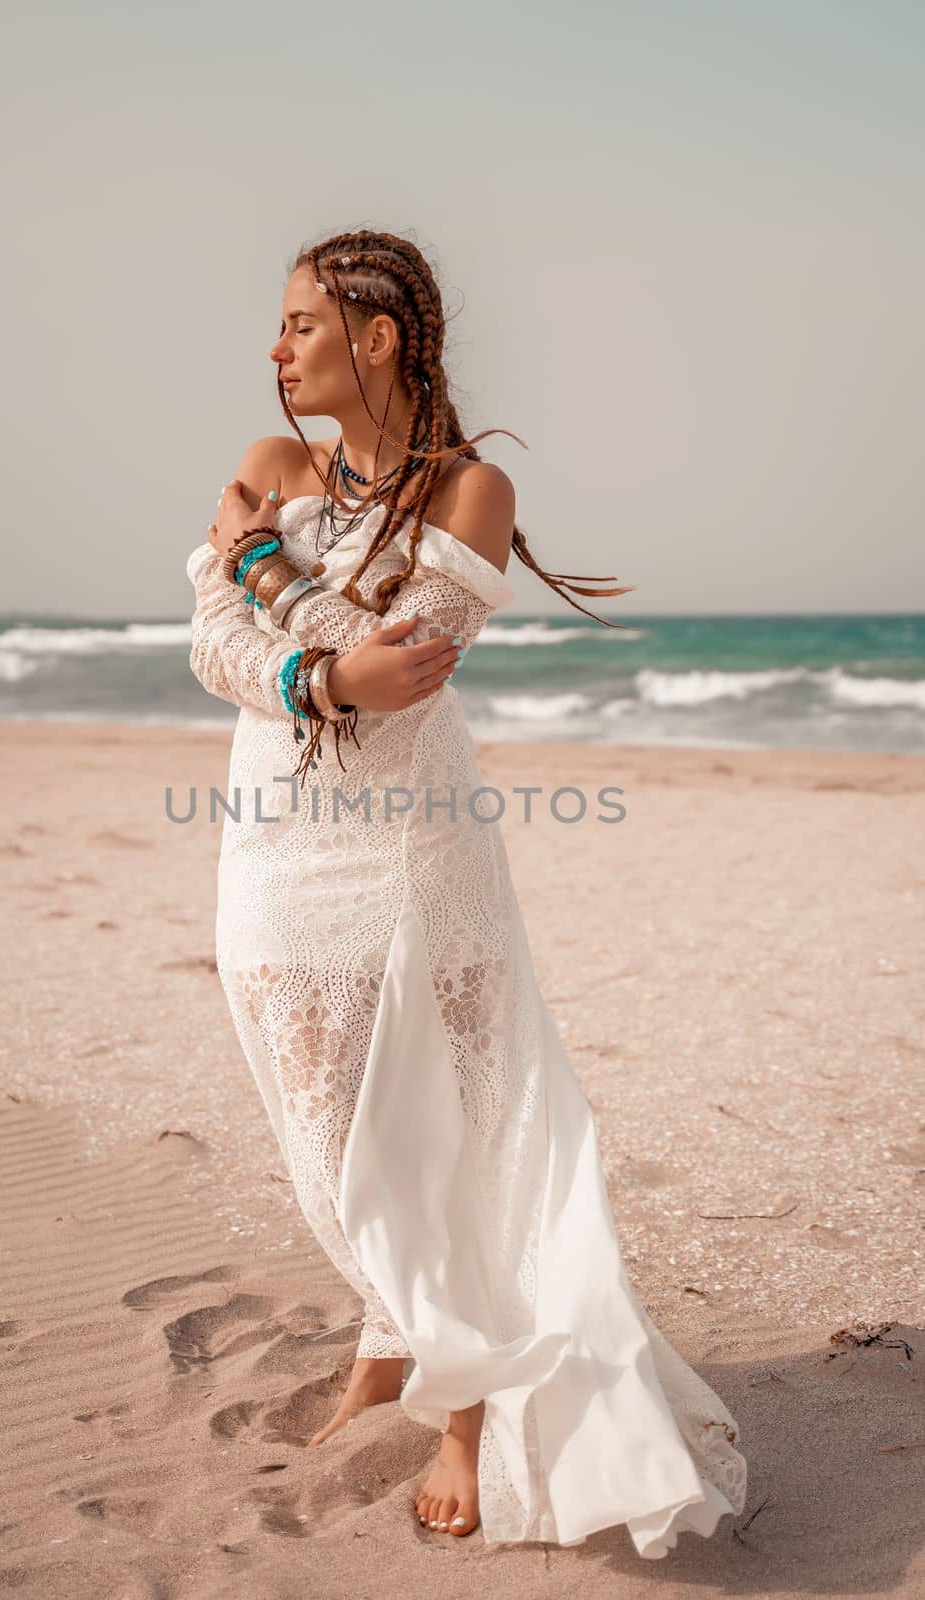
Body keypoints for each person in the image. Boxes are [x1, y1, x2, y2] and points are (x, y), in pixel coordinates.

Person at [185, 229, 747, 1554]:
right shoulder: (269, 466)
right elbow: (218, 647)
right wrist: (308, 664)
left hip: (412, 844)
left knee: (460, 1120)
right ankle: (399, 1326)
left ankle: (470, 1403)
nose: (275, 352)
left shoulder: (470, 495)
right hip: (272, 835)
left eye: (300, 327)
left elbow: (401, 678)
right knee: (324, 1126)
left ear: (377, 338)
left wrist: (268, 577)